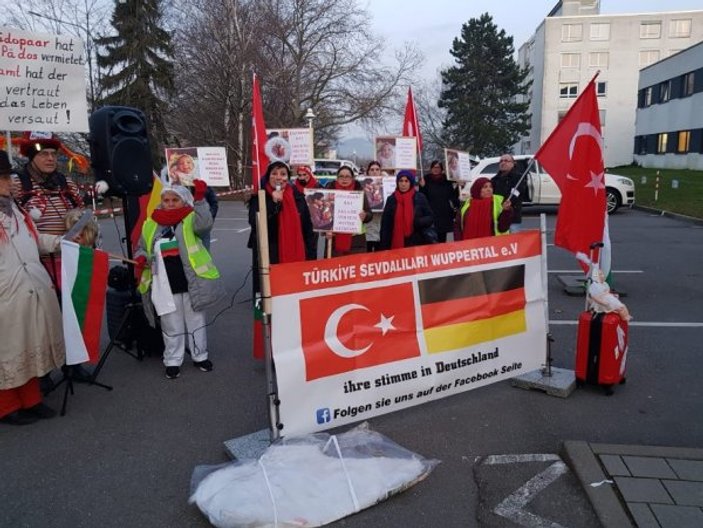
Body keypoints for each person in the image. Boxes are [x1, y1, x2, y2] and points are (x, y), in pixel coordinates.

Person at [0, 150, 64, 425]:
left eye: (8, 176)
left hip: (30, 286)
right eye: (4, 177)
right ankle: (7, 406)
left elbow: (35, 240)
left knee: (28, 344)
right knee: (8, 349)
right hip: (7, 292)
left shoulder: (14, 209)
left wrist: (66, 242)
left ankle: (31, 400)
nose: (10, 181)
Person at [135, 181, 220, 380]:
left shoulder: (191, 218)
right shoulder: (151, 223)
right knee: (170, 325)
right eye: (166, 200)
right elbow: (141, 247)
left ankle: (200, 356)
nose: (170, 203)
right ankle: (172, 361)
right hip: (164, 285)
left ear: (183, 201)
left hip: (190, 282)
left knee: (196, 322)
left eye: (175, 200)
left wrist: (199, 200)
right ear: (161, 201)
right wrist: (141, 257)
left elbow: (205, 225)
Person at [13, 131, 83, 288]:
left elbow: (85, 220)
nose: (51, 158)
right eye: (44, 154)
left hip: (71, 263)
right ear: (32, 156)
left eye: (53, 154)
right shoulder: (17, 185)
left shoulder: (68, 184)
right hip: (35, 271)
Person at [247, 161, 316, 294]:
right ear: (268, 176)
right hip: (269, 253)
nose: (278, 177)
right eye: (274, 173)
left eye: (283, 174)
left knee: (290, 293)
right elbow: (256, 224)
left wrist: (311, 258)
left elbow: (307, 228)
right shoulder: (260, 197)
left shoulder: (298, 197)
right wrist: (274, 203)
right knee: (267, 295)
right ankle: (263, 312)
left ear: (288, 178)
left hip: (294, 252)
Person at [168, 154, 219, 250]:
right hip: (180, 228)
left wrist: (208, 218)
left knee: (203, 256)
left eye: (188, 162)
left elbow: (214, 203)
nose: (185, 165)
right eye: (181, 163)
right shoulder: (172, 184)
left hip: (200, 228)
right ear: (177, 166)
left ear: (194, 164)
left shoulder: (203, 183)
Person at [380, 170, 436, 250]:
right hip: (396, 244)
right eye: (401, 181)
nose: (403, 184)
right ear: (397, 182)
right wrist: (384, 248)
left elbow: (430, 217)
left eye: (406, 181)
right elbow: (386, 226)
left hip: (417, 243)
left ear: (411, 183)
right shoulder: (391, 199)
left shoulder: (420, 197)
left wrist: (418, 222)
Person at [324, 165, 372, 257]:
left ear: (352, 178)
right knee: (335, 269)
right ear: (337, 178)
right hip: (334, 241)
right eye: (341, 176)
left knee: (354, 269)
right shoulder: (329, 194)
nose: (344, 179)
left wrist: (365, 215)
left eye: (347, 176)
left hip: (356, 242)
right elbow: (322, 216)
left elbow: (369, 214)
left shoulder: (359, 192)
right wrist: (325, 232)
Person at [419, 160, 460, 243]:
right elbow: (422, 197)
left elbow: (452, 195)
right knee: (430, 239)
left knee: (442, 240)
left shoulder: (447, 180)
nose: (436, 169)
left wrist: (458, 187)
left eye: (438, 167)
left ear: (441, 169)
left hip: (443, 214)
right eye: (434, 167)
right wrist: (422, 187)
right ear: (431, 168)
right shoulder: (425, 179)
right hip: (431, 213)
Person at [490, 154, 528, 233]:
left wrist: (507, 203)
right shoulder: (494, 179)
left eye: (506, 161)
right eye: (501, 161)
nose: (503, 163)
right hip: (497, 217)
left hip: (512, 218)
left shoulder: (519, 178)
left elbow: (517, 193)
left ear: (513, 163)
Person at [363, 161, 385, 252]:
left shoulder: (386, 183)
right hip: (368, 223)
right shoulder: (363, 184)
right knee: (369, 249)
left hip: (381, 221)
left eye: (377, 169)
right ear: (368, 172)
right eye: (372, 170)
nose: (374, 172)